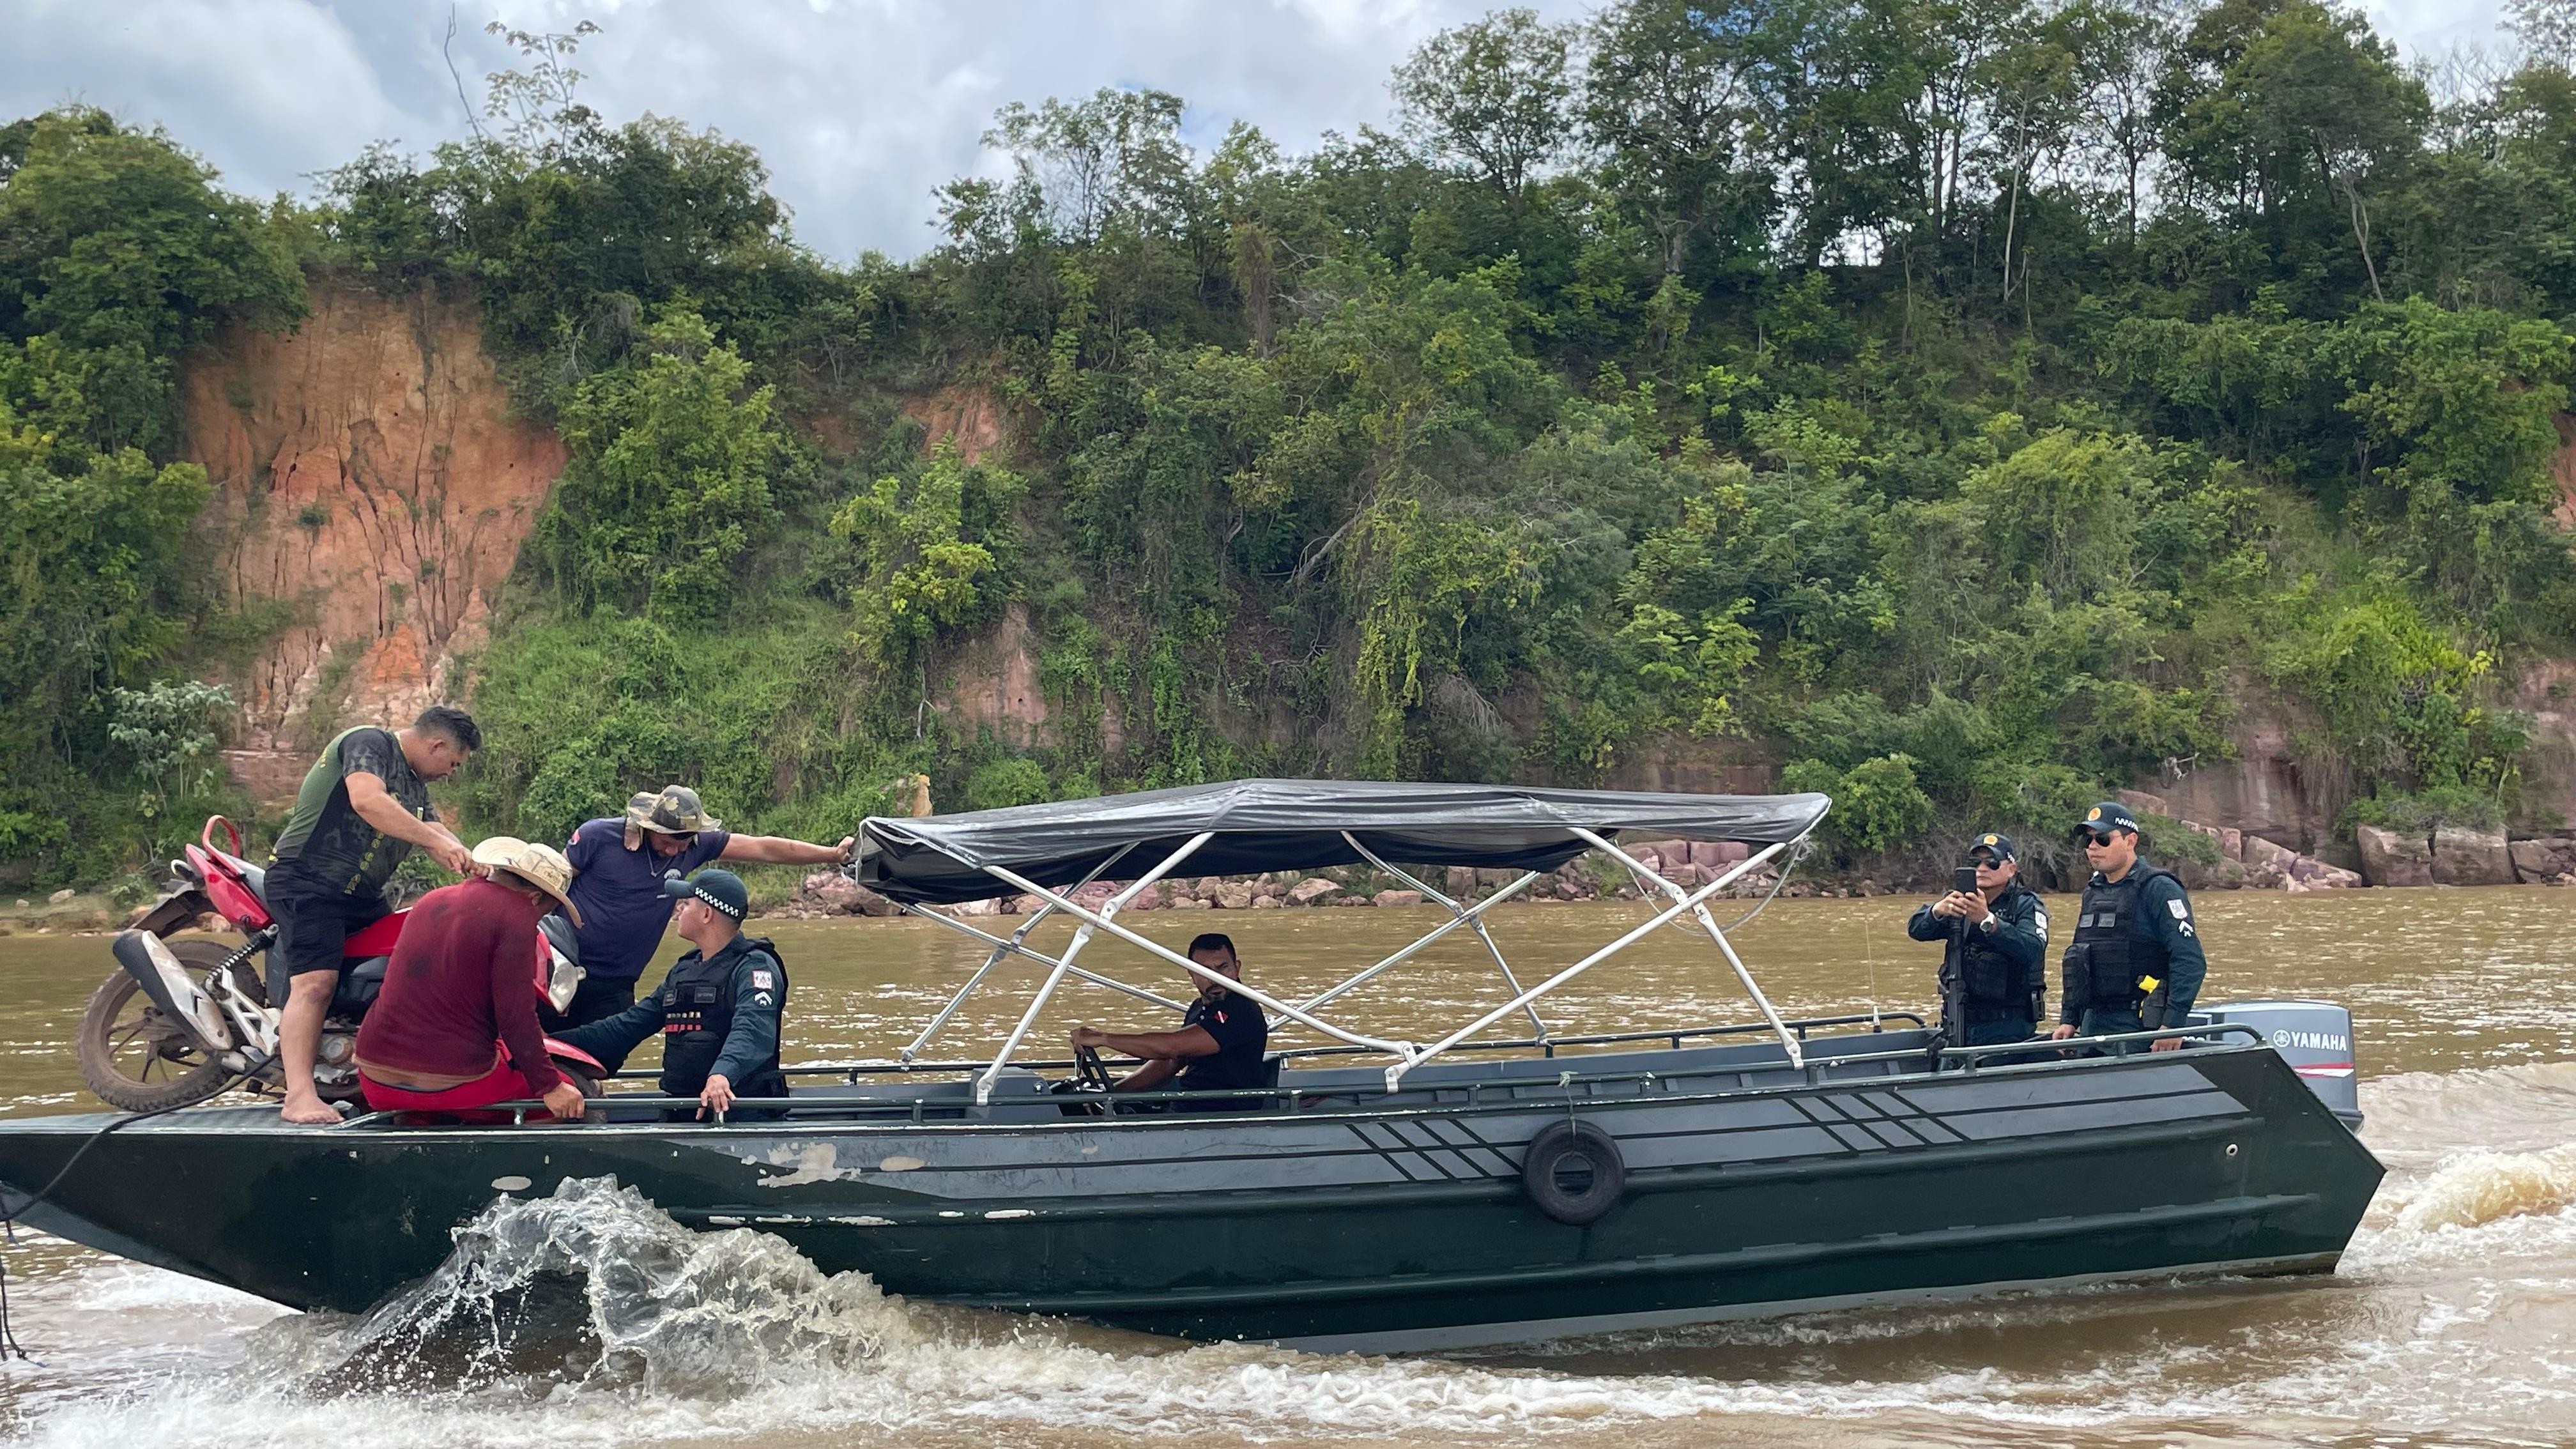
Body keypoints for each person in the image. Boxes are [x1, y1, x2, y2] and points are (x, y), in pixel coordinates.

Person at [268, 705, 481, 1125]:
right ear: (436, 745)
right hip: (308, 881)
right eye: (453, 764)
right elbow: (367, 799)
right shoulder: (371, 743)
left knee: (399, 968)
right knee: (315, 983)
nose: (451, 773)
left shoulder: (415, 787)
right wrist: (435, 842)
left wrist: (478, 867)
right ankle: (298, 1096)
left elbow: (438, 835)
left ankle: (365, 1071)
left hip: (361, 896)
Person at [549, 785, 854, 1029]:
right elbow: (551, 886)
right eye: (667, 841)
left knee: (602, 1058)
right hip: (562, 966)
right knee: (544, 1046)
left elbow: (763, 848)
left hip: (618, 979)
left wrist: (831, 855)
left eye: (682, 844)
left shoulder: (695, 847)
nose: (674, 850)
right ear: (647, 825)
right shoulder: (597, 837)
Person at [351, 837, 590, 1123]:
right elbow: (515, 1017)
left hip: (373, 1076)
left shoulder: (432, 899)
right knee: (573, 1098)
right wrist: (551, 1086)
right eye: (545, 911)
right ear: (535, 898)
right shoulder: (517, 916)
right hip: (454, 1083)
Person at [553, 869, 790, 1120]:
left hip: (739, 1114)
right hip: (682, 1109)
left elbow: (753, 1029)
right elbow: (629, 1025)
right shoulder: (684, 969)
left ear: (707, 914)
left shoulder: (755, 966)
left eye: (686, 904)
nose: (678, 910)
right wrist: (553, 1042)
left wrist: (723, 1074)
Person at [2050, 802, 2209, 1055]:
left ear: (2130, 841)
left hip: (2137, 1026)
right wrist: (2070, 1018)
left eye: (2102, 839)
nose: (2092, 847)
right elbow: (2079, 959)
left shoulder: (2159, 889)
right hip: (2092, 1025)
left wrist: (2173, 1025)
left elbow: (2189, 960)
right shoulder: (2093, 891)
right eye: (2087, 841)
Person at [1067, 933, 1271, 1112]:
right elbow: (1171, 1062)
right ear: (1191, 974)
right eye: (1204, 971)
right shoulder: (1199, 1008)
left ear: (1237, 968)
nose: (1215, 978)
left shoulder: (1241, 1011)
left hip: (1223, 1114)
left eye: (1222, 968)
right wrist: (1114, 1093)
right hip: (1190, 1104)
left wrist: (1103, 1038)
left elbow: (1171, 1047)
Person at [1908, 831, 2048, 1057]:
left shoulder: (2025, 905)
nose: (1982, 868)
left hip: (2008, 1026)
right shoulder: (1959, 902)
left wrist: (1989, 921)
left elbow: (2033, 948)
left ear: (2011, 869)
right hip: (1960, 1019)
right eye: (1976, 863)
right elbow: (1916, 930)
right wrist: (1937, 912)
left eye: (1992, 863)